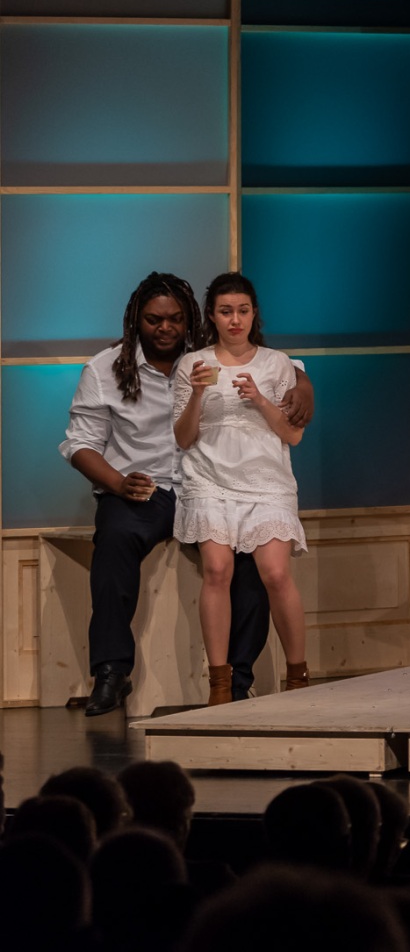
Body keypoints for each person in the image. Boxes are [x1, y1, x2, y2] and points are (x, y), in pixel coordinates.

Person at [60, 271, 313, 714]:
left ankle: (237, 679)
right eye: (154, 320)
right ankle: (112, 671)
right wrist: (117, 482)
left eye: (175, 319)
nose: (166, 328)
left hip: (209, 482)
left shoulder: (204, 350)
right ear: (136, 320)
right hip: (147, 488)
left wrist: (303, 382)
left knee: (254, 564)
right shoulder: (105, 369)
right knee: (115, 539)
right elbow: (78, 443)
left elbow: (268, 361)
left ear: (192, 318)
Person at [173, 272, 311, 706]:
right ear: (212, 316)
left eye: (243, 311)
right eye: (226, 311)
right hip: (209, 478)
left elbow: (293, 436)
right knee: (217, 570)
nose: (235, 320)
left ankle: (298, 677)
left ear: (254, 314)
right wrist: (198, 394)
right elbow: (183, 438)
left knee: (276, 574)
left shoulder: (277, 363)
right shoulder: (192, 363)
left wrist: (260, 399)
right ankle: (219, 684)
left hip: (266, 480)